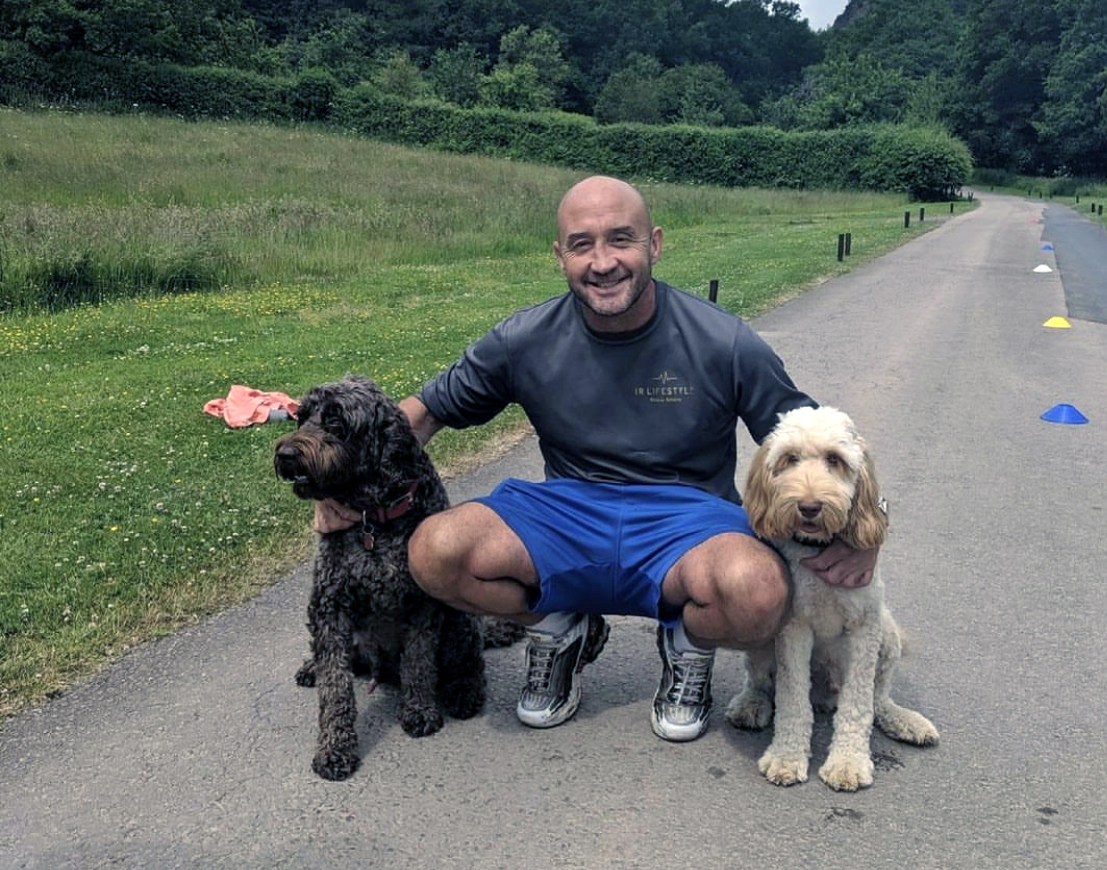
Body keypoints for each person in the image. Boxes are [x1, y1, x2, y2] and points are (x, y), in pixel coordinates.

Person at [315, 176, 878, 740]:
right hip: (568, 511)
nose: (603, 262)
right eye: (582, 244)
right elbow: (419, 414)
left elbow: (817, 437)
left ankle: (689, 641)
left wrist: (864, 527)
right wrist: (339, 489)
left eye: (621, 240)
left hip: (690, 520)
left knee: (760, 592)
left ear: (654, 244)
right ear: (560, 255)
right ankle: (559, 627)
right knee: (433, 551)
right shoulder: (523, 338)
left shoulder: (724, 341)